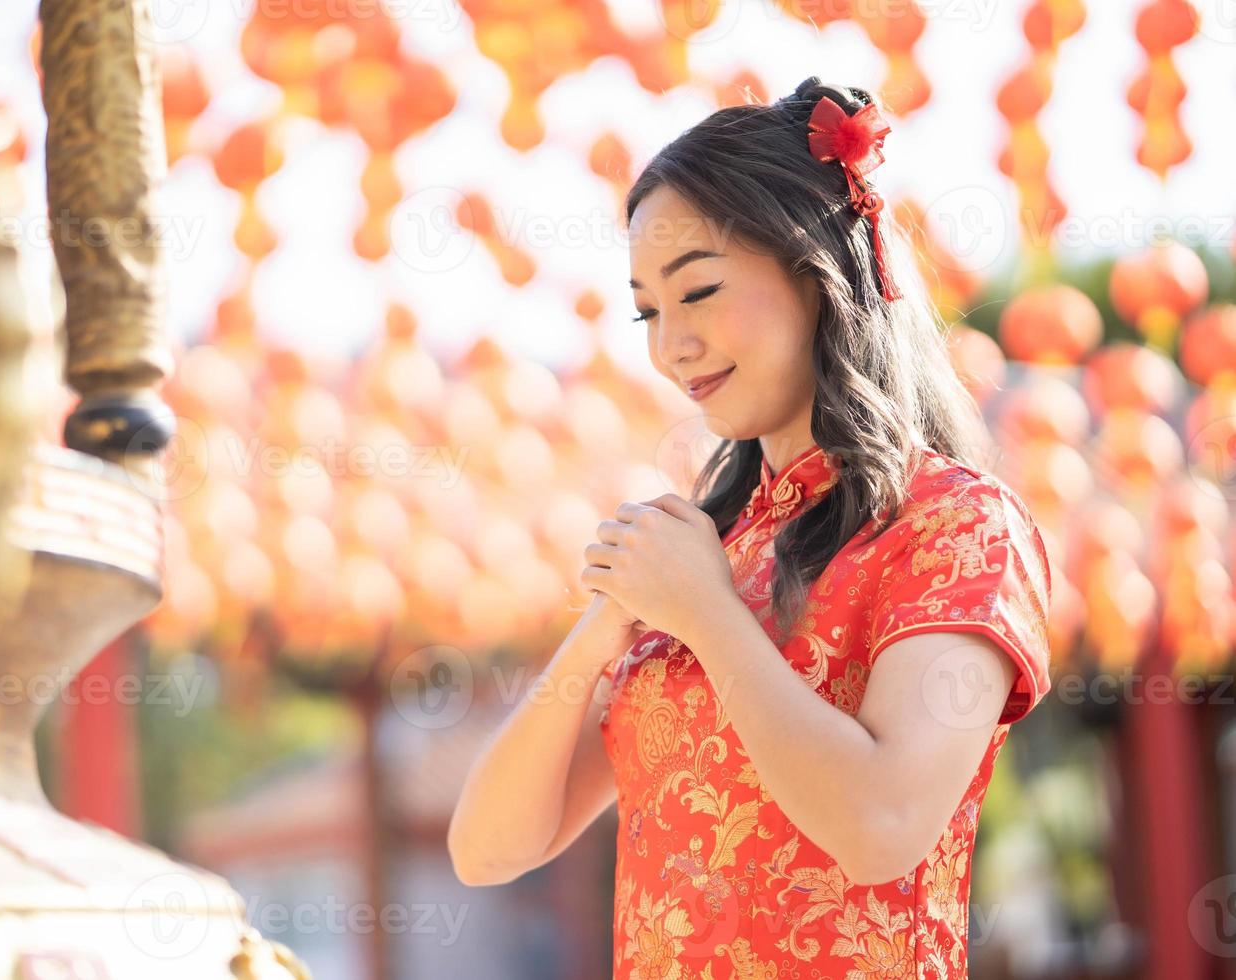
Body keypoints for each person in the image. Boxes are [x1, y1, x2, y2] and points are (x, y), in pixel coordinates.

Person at [448, 76, 1052, 979]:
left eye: (697, 292)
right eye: (649, 311)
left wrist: (705, 614)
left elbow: (882, 827)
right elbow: (487, 850)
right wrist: (607, 623)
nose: (669, 346)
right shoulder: (705, 550)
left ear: (816, 272)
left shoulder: (954, 523)